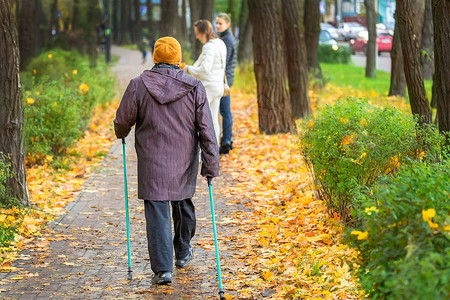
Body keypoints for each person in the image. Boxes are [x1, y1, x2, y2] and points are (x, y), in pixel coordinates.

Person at [114, 37, 219, 285]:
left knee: (158, 212)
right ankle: (182, 252)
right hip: (183, 161)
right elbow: (207, 129)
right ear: (179, 60)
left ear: (155, 58)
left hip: (152, 162)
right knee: (183, 203)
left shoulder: (138, 85)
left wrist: (121, 133)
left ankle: (163, 270)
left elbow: (122, 121)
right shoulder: (194, 87)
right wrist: (210, 164)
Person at [183, 20, 227, 146]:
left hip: (209, 86)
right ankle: (214, 150)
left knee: (200, 120)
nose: (197, 36)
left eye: (198, 33)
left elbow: (204, 70)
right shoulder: (220, 43)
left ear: (204, 32)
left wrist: (189, 69)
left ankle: (201, 152)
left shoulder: (209, 47)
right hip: (218, 86)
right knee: (213, 120)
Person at [215, 13, 237, 155]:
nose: (217, 26)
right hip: (225, 79)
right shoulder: (224, 37)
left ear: (228, 24)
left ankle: (227, 141)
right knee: (224, 111)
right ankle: (226, 140)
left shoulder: (227, 39)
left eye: (220, 24)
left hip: (225, 81)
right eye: (216, 23)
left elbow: (224, 61)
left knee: (225, 111)